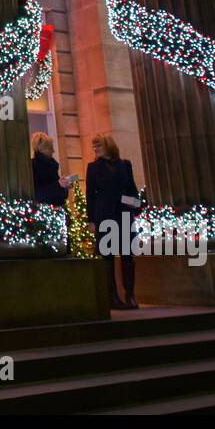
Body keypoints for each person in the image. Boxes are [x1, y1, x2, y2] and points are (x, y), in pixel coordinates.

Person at [85, 132, 140, 310]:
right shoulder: (92, 167)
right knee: (107, 256)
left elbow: (132, 189)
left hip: (124, 213)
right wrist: (91, 220)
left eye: (98, 145)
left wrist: (133, 206)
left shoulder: (125, 165)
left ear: (108, 145)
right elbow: (90, 195)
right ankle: (112, 297)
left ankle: (130, 295)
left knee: (127, 255)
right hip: (104, 214)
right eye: (94, 146)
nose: (95, 149)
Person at [30, 132, 75, 209]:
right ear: (42, 149)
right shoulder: (35, 166)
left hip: (56, 208)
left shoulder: (51, 165)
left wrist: (64, 187)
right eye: (50, 148)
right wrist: (59, 185)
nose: (53, 151)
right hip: (46, 210)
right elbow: (38, 193)